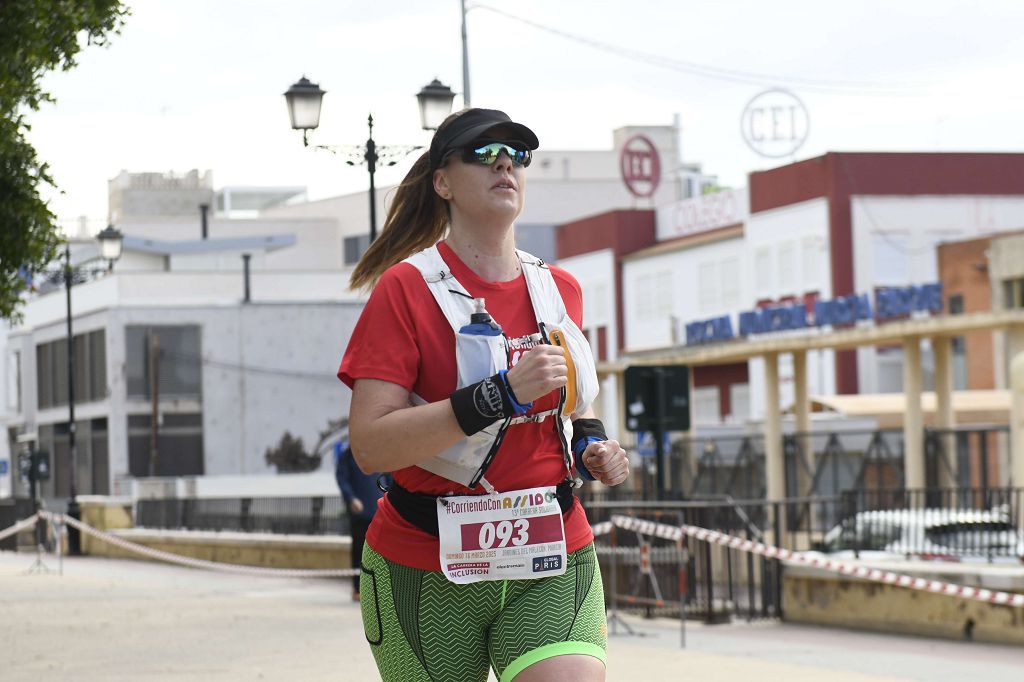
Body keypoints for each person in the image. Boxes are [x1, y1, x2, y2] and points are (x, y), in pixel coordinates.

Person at [338, 107, 630, 682]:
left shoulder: (559, 288)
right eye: (481, 152)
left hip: (550, 548)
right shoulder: (405, 289)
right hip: (425, 562)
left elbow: (572, 402)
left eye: (517, 154)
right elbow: (370, 447)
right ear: (442, 182)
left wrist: (593, 442)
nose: (504, 163)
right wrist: (497, 396)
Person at [333, 440, 387, 601]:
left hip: (381, 512)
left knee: (382, 553)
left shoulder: (382, 453)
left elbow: (389, 479)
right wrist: (351, 499)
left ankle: (380, 589)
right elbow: (342, 478)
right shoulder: (349, 454)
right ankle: (358, 588)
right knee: (359, 551)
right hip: (361, 513)